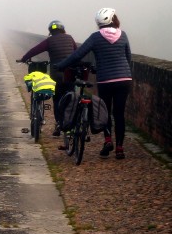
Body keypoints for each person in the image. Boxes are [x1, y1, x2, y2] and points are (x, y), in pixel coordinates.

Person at [54, 8, 132, 159]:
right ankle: (120, 148)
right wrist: (124, 73)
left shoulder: (96, 37)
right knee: (119, 114)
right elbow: (128, 57)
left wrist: (62, 65)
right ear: (113, 19)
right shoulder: (123, 35)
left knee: (106, 111)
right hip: (124, 79)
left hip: (105, 80)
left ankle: (108, 140)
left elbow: (78, 54)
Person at [19, 20, 77, 136]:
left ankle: (59, 124)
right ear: (63, 29)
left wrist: (24, 58)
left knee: (57, 99)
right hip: (70, 73)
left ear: (50, 31)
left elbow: (35, 50)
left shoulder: (49, 40)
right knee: (71, 99)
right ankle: (71, 127)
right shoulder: (70, 38)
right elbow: (77, 52)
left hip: (57, 74)